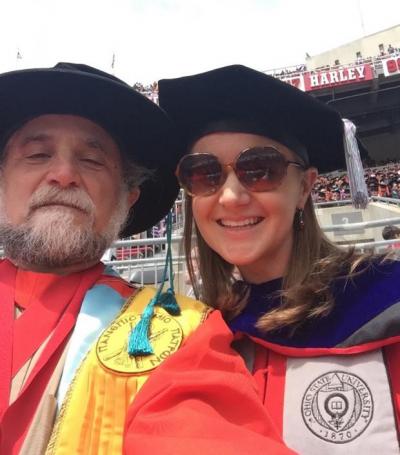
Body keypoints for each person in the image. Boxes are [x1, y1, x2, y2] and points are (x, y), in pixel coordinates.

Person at [124, 65, 400, 454]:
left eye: (260, 170)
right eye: (205, 174)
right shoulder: (200, 331)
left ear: (305, 187)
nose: (231, 196)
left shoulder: (385, 301)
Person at [0, 62, 209, 454]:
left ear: (127, 199)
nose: (63, 174)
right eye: (37, 155)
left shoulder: (181, 335)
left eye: (92, 161)